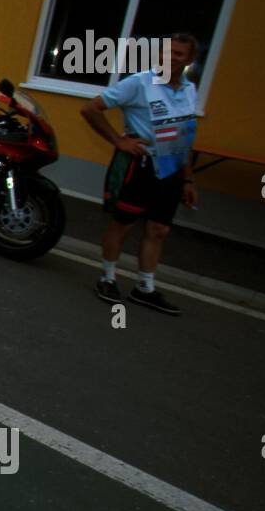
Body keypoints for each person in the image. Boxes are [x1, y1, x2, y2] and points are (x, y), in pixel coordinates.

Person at [82, 35, 200, 314]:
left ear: (190, 60)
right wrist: (119, 141)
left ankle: (144, 288)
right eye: (168, 51)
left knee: (159, 230)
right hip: (141, 166)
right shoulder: (139, 82)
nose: (172, 58)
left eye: (179, 54)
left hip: (171, 169)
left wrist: (188, 178)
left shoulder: (189, 90)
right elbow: (90, 109)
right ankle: (107, 278)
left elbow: (186, 137)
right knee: (123, 223)